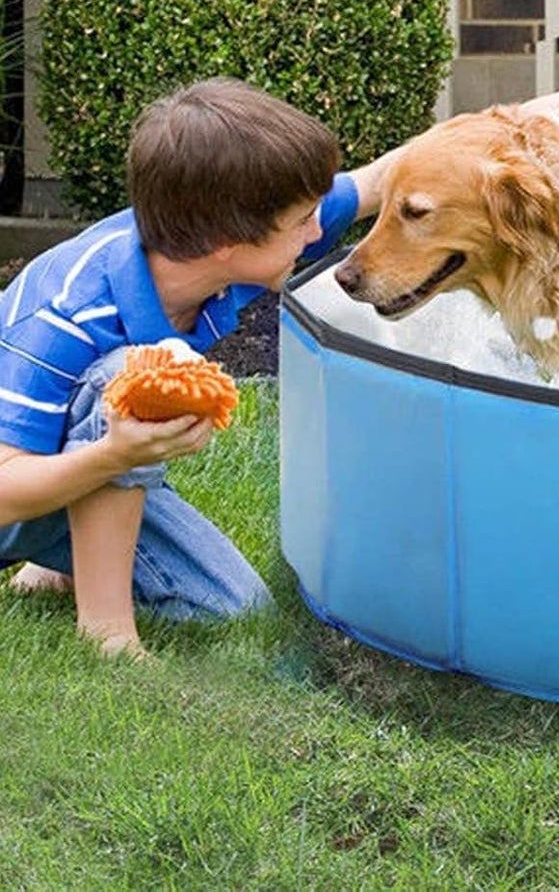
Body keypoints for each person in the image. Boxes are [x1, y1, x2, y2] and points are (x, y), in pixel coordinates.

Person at [0, 78, 401, 657]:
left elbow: (382, 178)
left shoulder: (219, 252)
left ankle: (56, 561)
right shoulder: (68, 312)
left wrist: (521, 118)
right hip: (16, 491)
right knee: (127, 374)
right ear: (224, 240)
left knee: (230, 610)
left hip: (67, 472)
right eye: (303, 221)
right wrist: (116, 456)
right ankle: (106, 633)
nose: (319, 233)